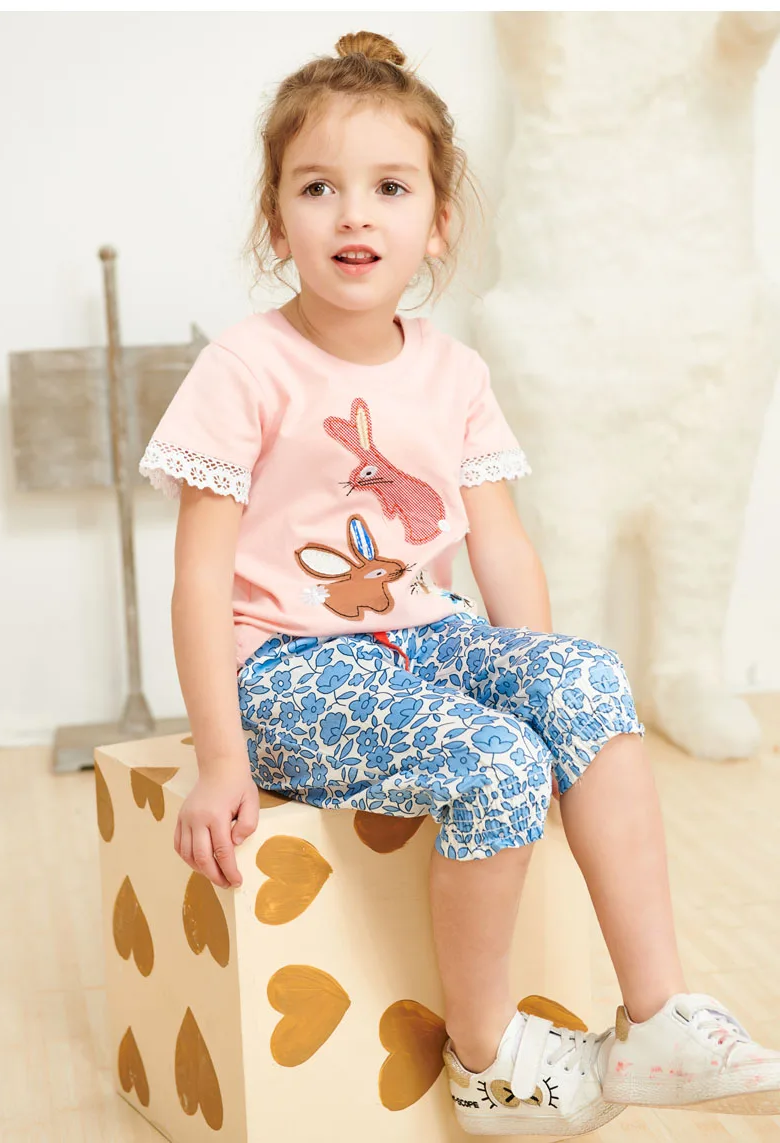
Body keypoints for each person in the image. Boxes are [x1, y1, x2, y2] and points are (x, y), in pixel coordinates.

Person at [138, 29, 780, 1138]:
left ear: (437, 222)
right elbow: (199, 578)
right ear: (275, 219)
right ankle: (485, 1062)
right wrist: (220, 760)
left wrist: (538, 683)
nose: (353, 214)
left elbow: (501, 545)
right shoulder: (244, 367)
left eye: (389, 187)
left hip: (423, 637)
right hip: (288, 667)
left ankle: (656, 1014)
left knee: (585, 681)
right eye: (317, 187)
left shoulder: (454, 369)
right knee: (495, 763)